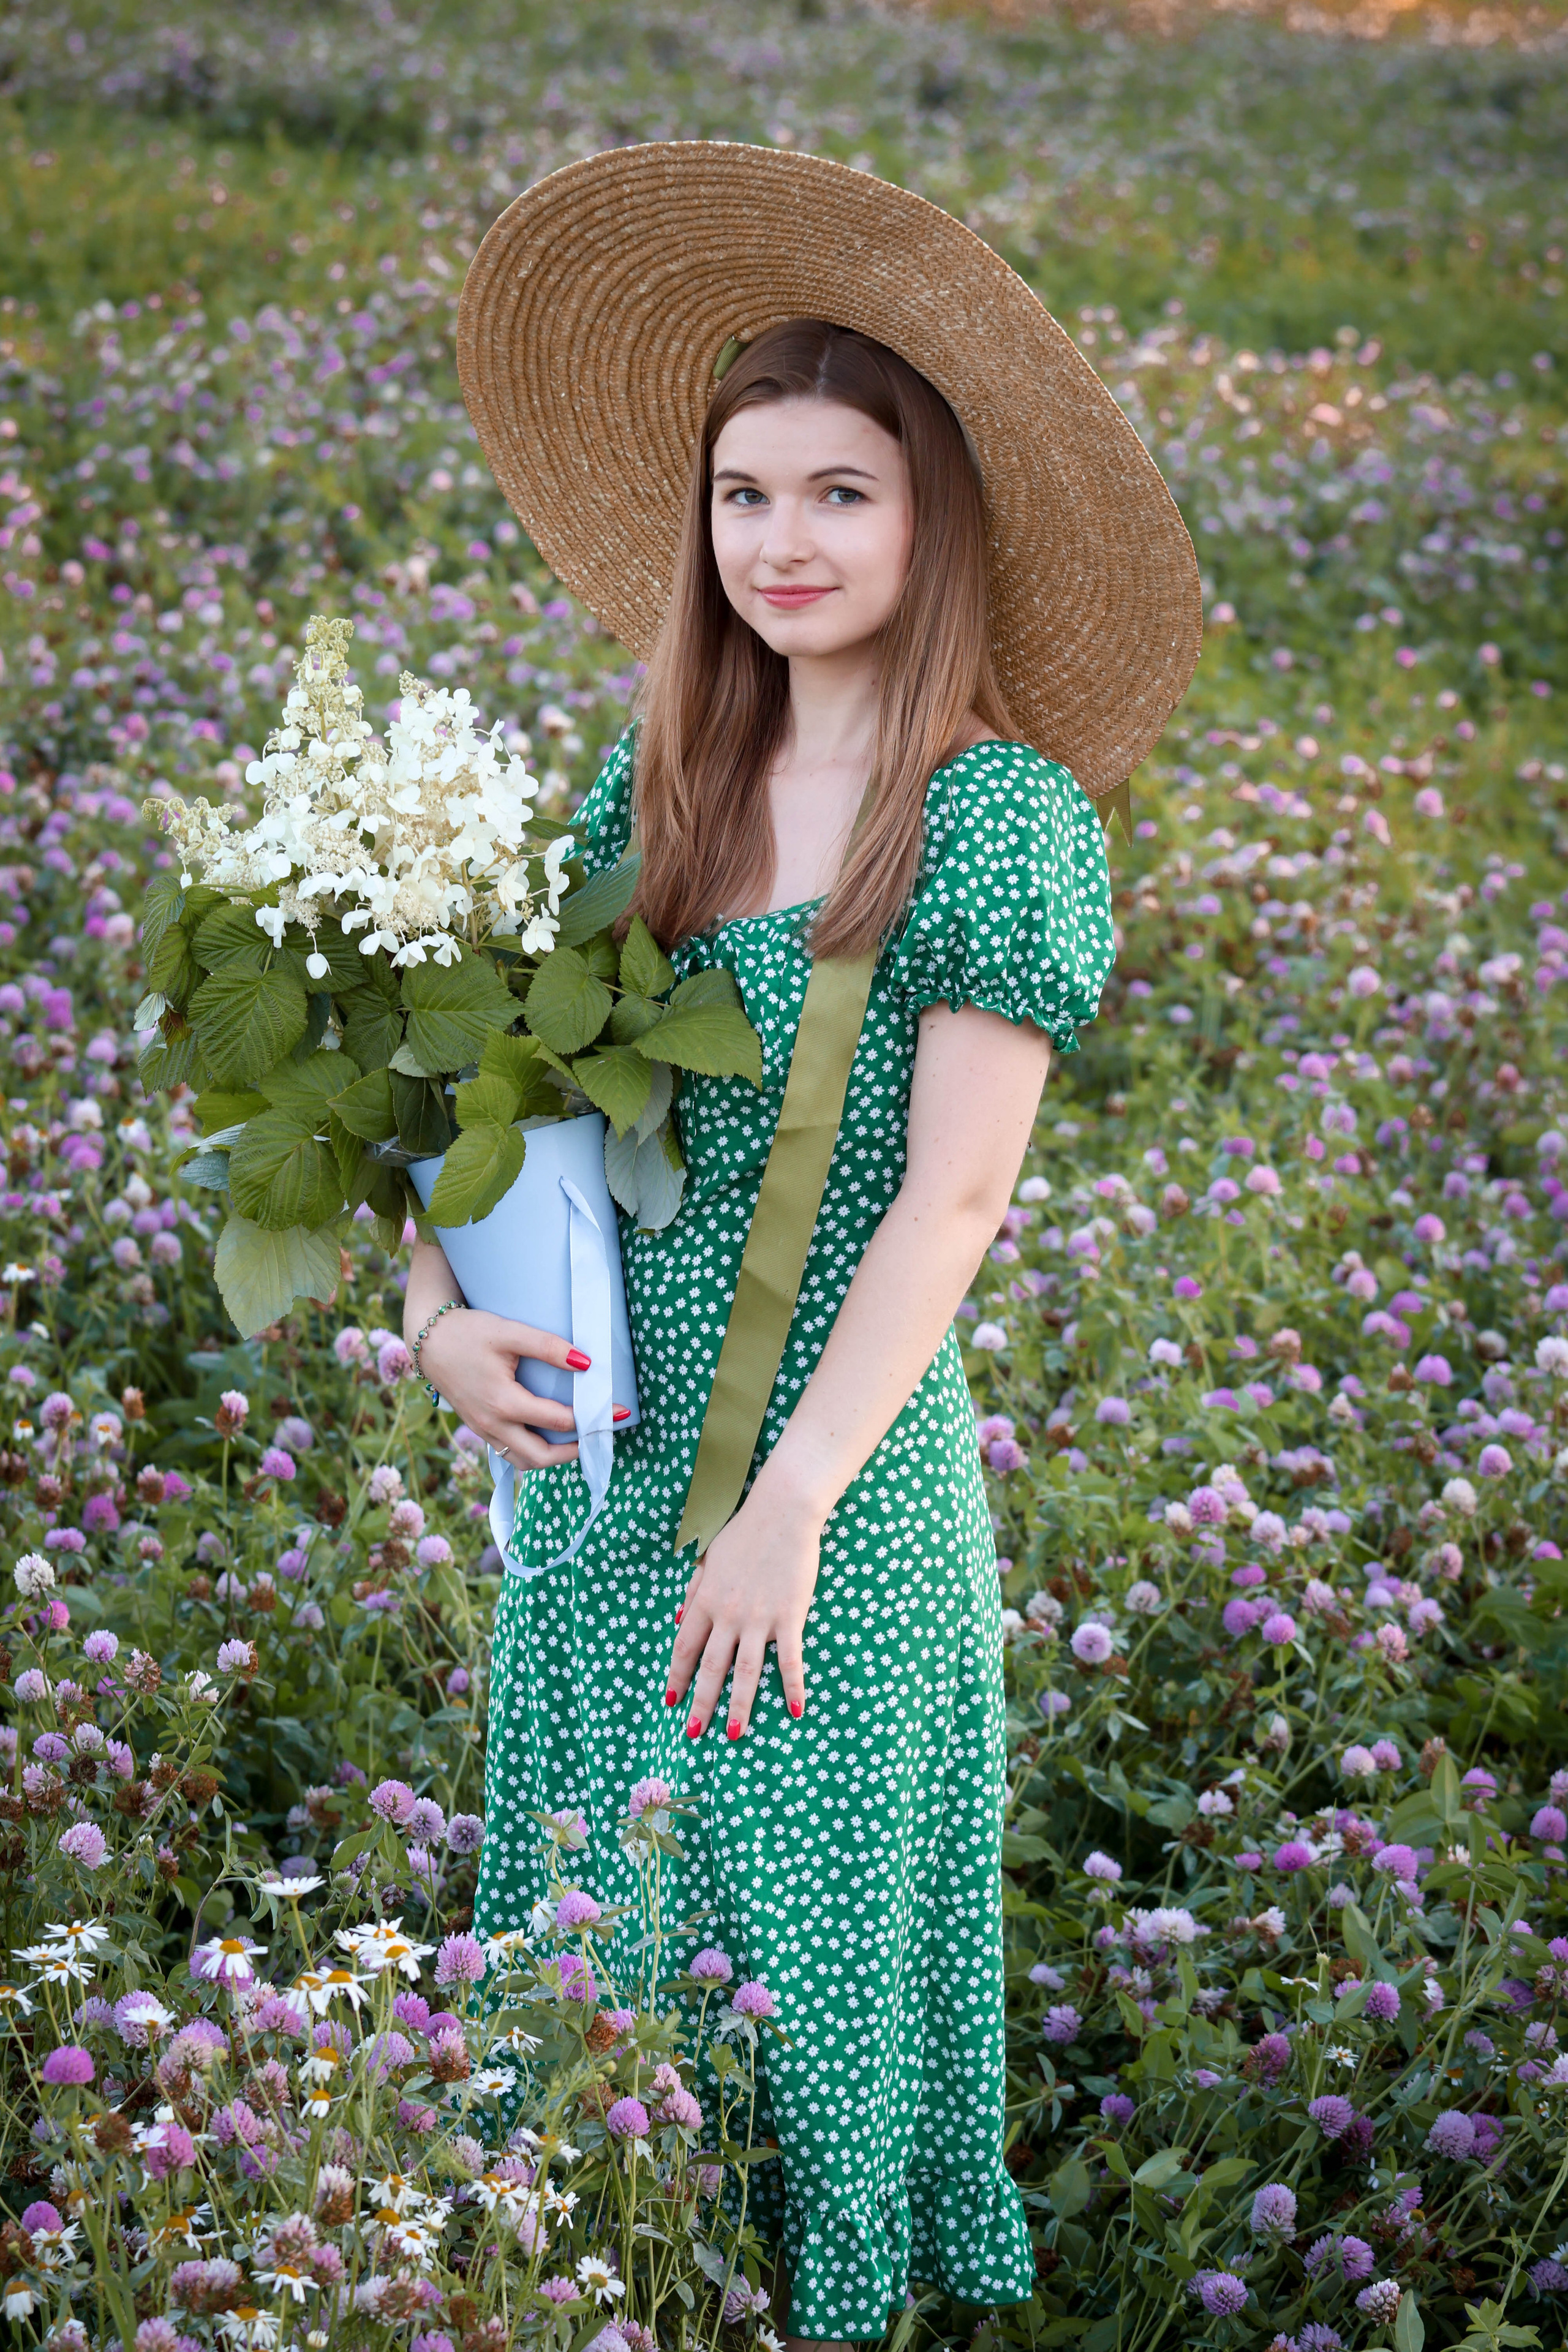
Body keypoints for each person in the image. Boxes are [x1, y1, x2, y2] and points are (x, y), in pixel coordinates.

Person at [405, 143, 1199, 2350]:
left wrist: (787, 1512)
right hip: (596, 1468)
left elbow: (949, 1204)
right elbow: (499, 1107)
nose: (783, 543)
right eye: (745, 495)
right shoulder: (653, 781)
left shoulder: (999, 817)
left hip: (828, 1492)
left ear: (933, 520)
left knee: (806, 1946)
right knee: (601, 1945)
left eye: (841, 494)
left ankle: (818, 2307)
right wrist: (435, 1318)